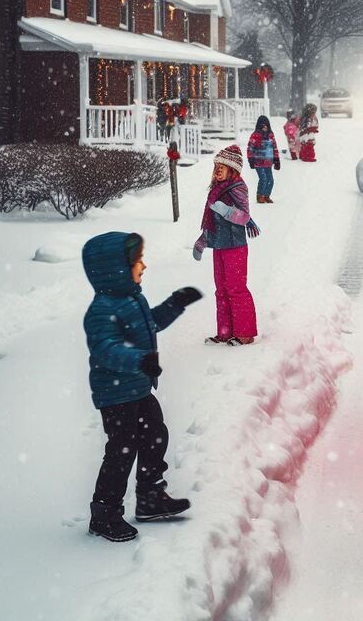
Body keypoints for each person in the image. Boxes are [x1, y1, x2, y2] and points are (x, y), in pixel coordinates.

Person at [82, 231, 203, 542]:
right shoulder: (101, 310)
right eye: (138, 261)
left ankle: (150, 496)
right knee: (121, 451)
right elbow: (105, 350)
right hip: (116, 393)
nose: (144, 266)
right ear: (117, 269)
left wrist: (176, 304)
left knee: (155, 435)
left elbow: (150, 324)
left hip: (138, 387)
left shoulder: (133, 299)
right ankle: (105, 514)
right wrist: (139, 360)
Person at [192, 146, 260, 345]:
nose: (218, 171)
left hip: (235, 246)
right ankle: (225, 332)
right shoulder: (215, 191)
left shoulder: (238, 188)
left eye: (223, 167)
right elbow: (211, 221)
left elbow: (244, 217)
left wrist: (222, 208)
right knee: (221, 289)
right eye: (216, 167)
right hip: (219, 246)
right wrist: (202, 240)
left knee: (235, 288)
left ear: (233, 170)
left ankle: (245, 333)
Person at [246, 115, 282, 204]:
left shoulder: (271, 135)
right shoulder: (255, 135)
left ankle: (266, 195)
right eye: (263, 126)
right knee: (263, 178)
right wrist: (251, 159)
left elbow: (274, 147)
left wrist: (276, 159)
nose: (265, 127)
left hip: (268, 162)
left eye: (266, 125)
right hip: (258, 162)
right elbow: (250, 148)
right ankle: (260, 195)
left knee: (270, 180)